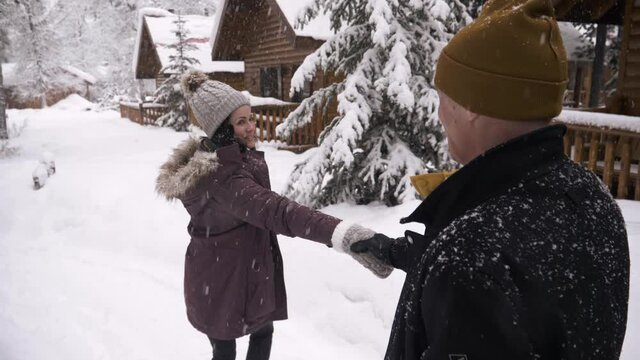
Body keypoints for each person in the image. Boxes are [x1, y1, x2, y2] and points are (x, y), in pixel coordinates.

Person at [351, 0, 630, 358]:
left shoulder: (472, 256)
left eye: (443, 99)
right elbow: (534, 280)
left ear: (471, 107)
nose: (439, 115)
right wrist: (393, 250)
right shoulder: (592, 200)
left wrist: (449, 258)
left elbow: (486, 270)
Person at [155, 71, 391, 360]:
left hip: (245, 271)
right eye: (241, 122)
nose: (252, 127)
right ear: (221, 130)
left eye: (251, 118)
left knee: (262, 332)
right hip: (221, 281)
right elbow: (278, 211)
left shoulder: (230, 159)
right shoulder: (224, 178)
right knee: (225, 350)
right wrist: (342, 234)